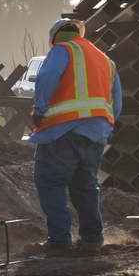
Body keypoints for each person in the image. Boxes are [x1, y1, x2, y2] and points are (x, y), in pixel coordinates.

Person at [28, 18, 122, 254]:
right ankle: (92, 238)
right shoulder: (105, 60)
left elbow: (48, 76)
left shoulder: (63, 50)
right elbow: (116, 103)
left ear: (56, 38)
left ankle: (60, 240)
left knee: (50, 181)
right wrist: (102, 127)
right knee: (85, 187)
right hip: (97, 134)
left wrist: (40, 108)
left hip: (64, 131)